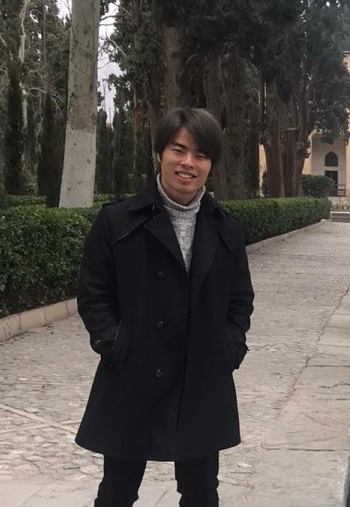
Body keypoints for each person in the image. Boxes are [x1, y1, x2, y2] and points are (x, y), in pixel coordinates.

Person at [76, 107, 254, 506]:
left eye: (201, 155)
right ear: (160, 153)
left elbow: (240, 299)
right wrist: (115, 343)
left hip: (201, 376)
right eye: (179, 150)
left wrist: (229, 347)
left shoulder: (226, 228)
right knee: (118, 490)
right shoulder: (118, 221)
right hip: (133, 374)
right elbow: (93, 293)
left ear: (210, 165)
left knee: (201, 491)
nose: (188, 163)